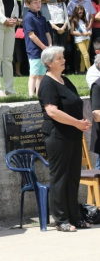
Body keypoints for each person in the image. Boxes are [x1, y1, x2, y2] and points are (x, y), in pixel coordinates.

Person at [38, 46, 91, 232]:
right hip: (57, 136)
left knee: (73, 177)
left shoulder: (65, 81)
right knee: (60, 177)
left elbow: (75, 103)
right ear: (49, 63)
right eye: (59, 58)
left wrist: (82, 121)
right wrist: (77, 123)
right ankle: (61, 220)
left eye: (63, 57)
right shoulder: (47, 84)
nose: (63, 60)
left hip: (73, 135)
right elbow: (52, 111)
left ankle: (74, 217)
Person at [23, 0, 52, 97]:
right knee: (34, 74)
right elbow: (32, 35)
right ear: (27, 4)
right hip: (34, 50)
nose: (38, 4)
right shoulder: (28, 17)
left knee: (41, 74)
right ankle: (31, 95)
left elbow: (47, 32)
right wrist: (44, 47)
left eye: (40, 2)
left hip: (44, 50)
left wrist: (49, 45)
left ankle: (39, 94)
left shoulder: (42, 17)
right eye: (35, 2)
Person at [69, 4, 91, 73]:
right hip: (79, 40)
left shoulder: (84, 20)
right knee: (86, 55)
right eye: (79, 12)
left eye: (82, 12)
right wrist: (82, 34)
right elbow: (72, 32)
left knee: (83, 55)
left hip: (86, 38)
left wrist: (89, 32)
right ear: (76, 12)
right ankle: (90, 70)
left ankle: (82, 70)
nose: (81, 14)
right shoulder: (74, 20)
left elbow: (87, 28)